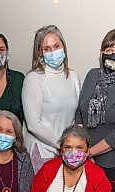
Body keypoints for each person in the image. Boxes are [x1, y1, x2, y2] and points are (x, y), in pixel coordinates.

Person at [75, 29, 115, 182]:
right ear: (101, 52)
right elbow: (80, 112)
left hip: (112, 165)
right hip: (83, 156)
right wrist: (81, 147)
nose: (113, 55)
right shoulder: (92, 75)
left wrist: (88, 153)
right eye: (109, 50)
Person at [23, 25, 80, 173]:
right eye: (47, 49)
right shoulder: (34, 78)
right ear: (39, 53)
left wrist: (71, 145)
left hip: (67, 152)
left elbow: (74, 116)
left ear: (63, 46)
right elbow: (33, 124)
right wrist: (62, 144)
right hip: (43, 152)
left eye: (56, 46)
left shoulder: (73, 77)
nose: (53, 52)